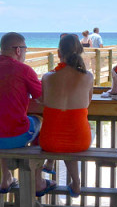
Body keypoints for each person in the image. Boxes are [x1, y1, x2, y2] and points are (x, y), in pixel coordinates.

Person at [0, 32, 56, 196]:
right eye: (25, 49)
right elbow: (44, 99)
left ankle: (7, 177)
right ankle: (38, 180)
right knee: (39, 121)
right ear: (18, 50)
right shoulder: (24, 70)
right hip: (10, 138)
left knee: (2, 123)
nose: (25, 53)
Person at [39, 34, 94, 197]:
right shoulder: (88, 77)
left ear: (58, 53)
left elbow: (43, 100)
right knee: (77, 131)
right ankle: (76, 183)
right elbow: (87, 103)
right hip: (80, 141)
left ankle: (49, 163)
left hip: (49, 142)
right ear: (80, 52)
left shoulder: (48, 77)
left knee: (58, 130)